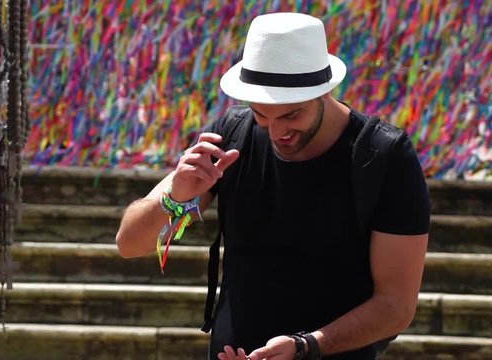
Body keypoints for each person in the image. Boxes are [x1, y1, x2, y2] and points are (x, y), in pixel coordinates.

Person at [116, 12, 430, 360]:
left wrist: (307, 345)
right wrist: (177, 196)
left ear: (324, 92)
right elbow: (130, 244)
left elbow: (396, 306)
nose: (277, 131)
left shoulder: (383, 156)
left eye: (291, 115)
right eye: (261, 115)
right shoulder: (231, 135)